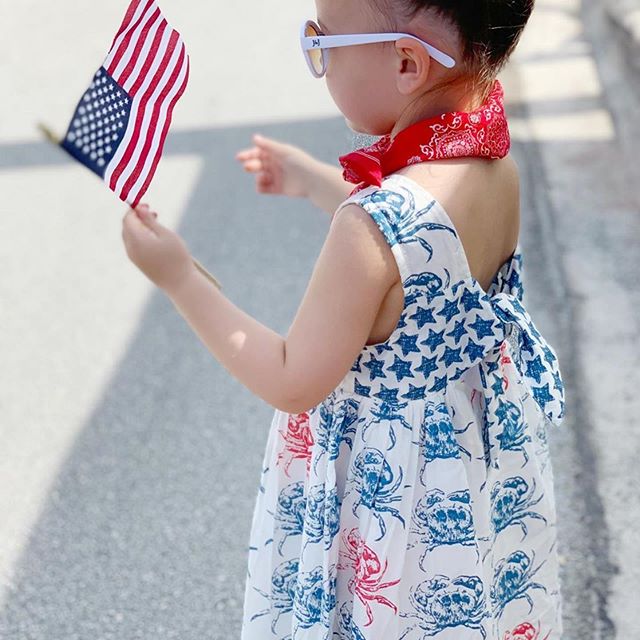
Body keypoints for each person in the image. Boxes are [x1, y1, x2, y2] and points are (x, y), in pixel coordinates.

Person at [121, 0, 566, 637]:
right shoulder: (494, 167)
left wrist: (178, 277)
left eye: (323, 44)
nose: (319, 59)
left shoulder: (369, 226)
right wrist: (312, 181)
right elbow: (420, 256)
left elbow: (291, 376)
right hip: (469, 469)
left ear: (407, 61)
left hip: (387, 498)